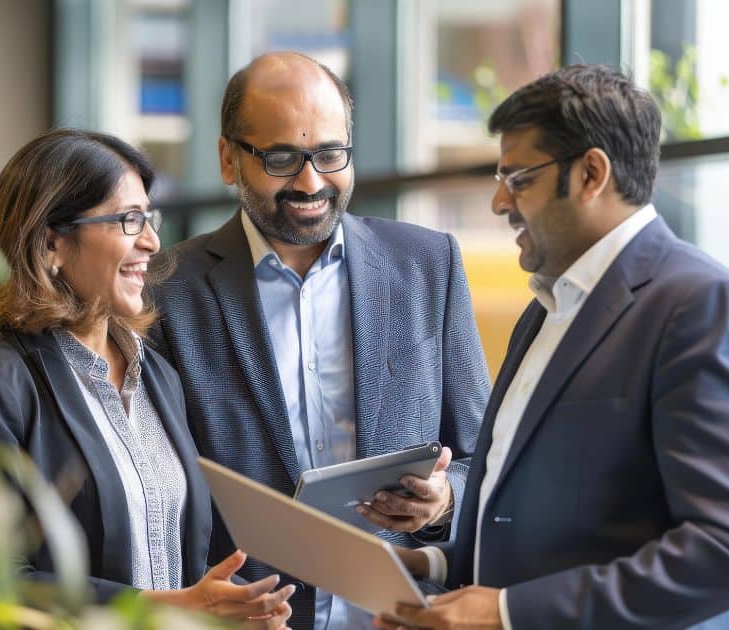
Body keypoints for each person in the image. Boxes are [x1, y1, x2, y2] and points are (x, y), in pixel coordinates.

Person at [378, 64, 729, 630]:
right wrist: (428, 563)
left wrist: (505, 612)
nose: (499, 201)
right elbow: (548, 534)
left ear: (592, 173)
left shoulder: (698, 305)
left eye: (519, 178)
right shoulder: (545, 308)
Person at [148, 52, 491, 629]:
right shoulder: (167, 290)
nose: (310, 182)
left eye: (330, 155)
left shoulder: (428, 266)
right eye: (281, 158)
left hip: (401, 616)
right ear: (229, 160)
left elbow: (483, 457)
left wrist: (446, 498)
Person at [0, 129, 293, 628]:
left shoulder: (160, 378)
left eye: (150, 218)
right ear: (50, 242)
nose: (152, 241)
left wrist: (228, 616)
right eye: (129, 220)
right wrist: (172, 609)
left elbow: (184, 572)